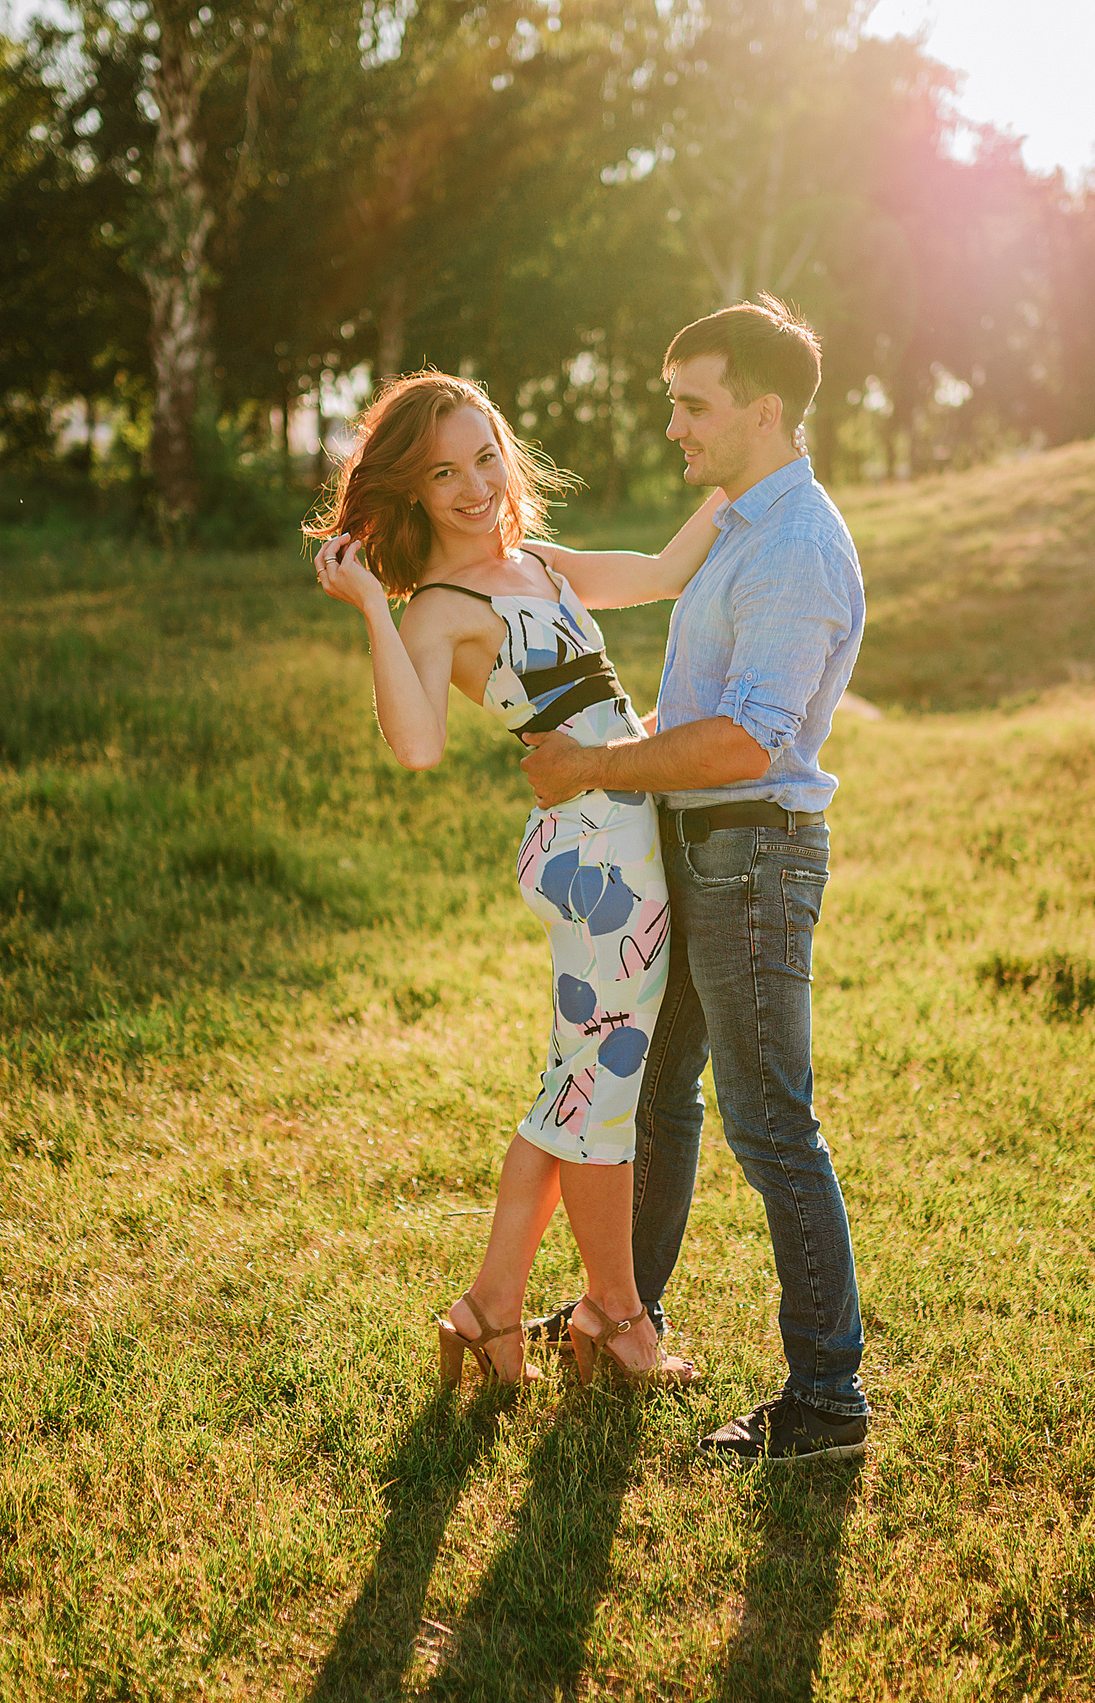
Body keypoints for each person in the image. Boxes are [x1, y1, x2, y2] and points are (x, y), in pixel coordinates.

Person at [307, 371, 724, 1389]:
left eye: (485, 455)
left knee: (571, 1089)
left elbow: (667, 568)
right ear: (406, 488)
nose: (472, 484)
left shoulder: (538, 562)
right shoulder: (440, 608)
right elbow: (414, 746)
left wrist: (751, 464)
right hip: (598, 866)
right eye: (441, 471)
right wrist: (368, 599)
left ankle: (490, 1310)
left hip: (619, 831)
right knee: (600, 1099)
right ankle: (619, 1321)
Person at [517, 297, 872, 1463]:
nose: (674, 426)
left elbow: (746, 743)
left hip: (751, 853)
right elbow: (685, 669)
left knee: (770, 1126)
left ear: (764, 411)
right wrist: (488, 556)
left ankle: (826, 1401)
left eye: (692, 404)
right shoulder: (734, 520)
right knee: (656, 1095)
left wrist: (592, 764)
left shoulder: (797, 548)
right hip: (698, 848)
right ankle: (626, 1319)